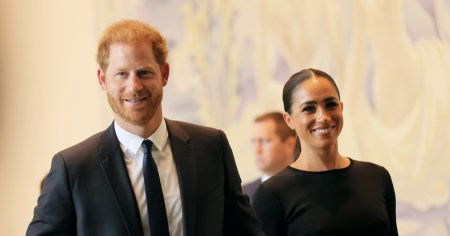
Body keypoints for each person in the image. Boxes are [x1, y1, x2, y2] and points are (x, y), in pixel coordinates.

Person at [26, 19, 263, 236]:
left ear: (164, 74)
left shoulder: (211, 147)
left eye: (144, 72)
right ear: (102, 80)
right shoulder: (73, 168)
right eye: (121, 74)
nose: (134, 86)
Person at [252, 68, 398, 236]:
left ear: (341, 107)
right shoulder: (272, 194)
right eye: (309, 108)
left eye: (330, 105)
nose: (323, 117)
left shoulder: (377, 177)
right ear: (289, 120)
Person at [242, 112, 297, 201]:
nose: (257, 150)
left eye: (264, 141)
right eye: (254, 142)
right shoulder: (242, 195)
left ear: (290, 144)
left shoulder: (309, 189)